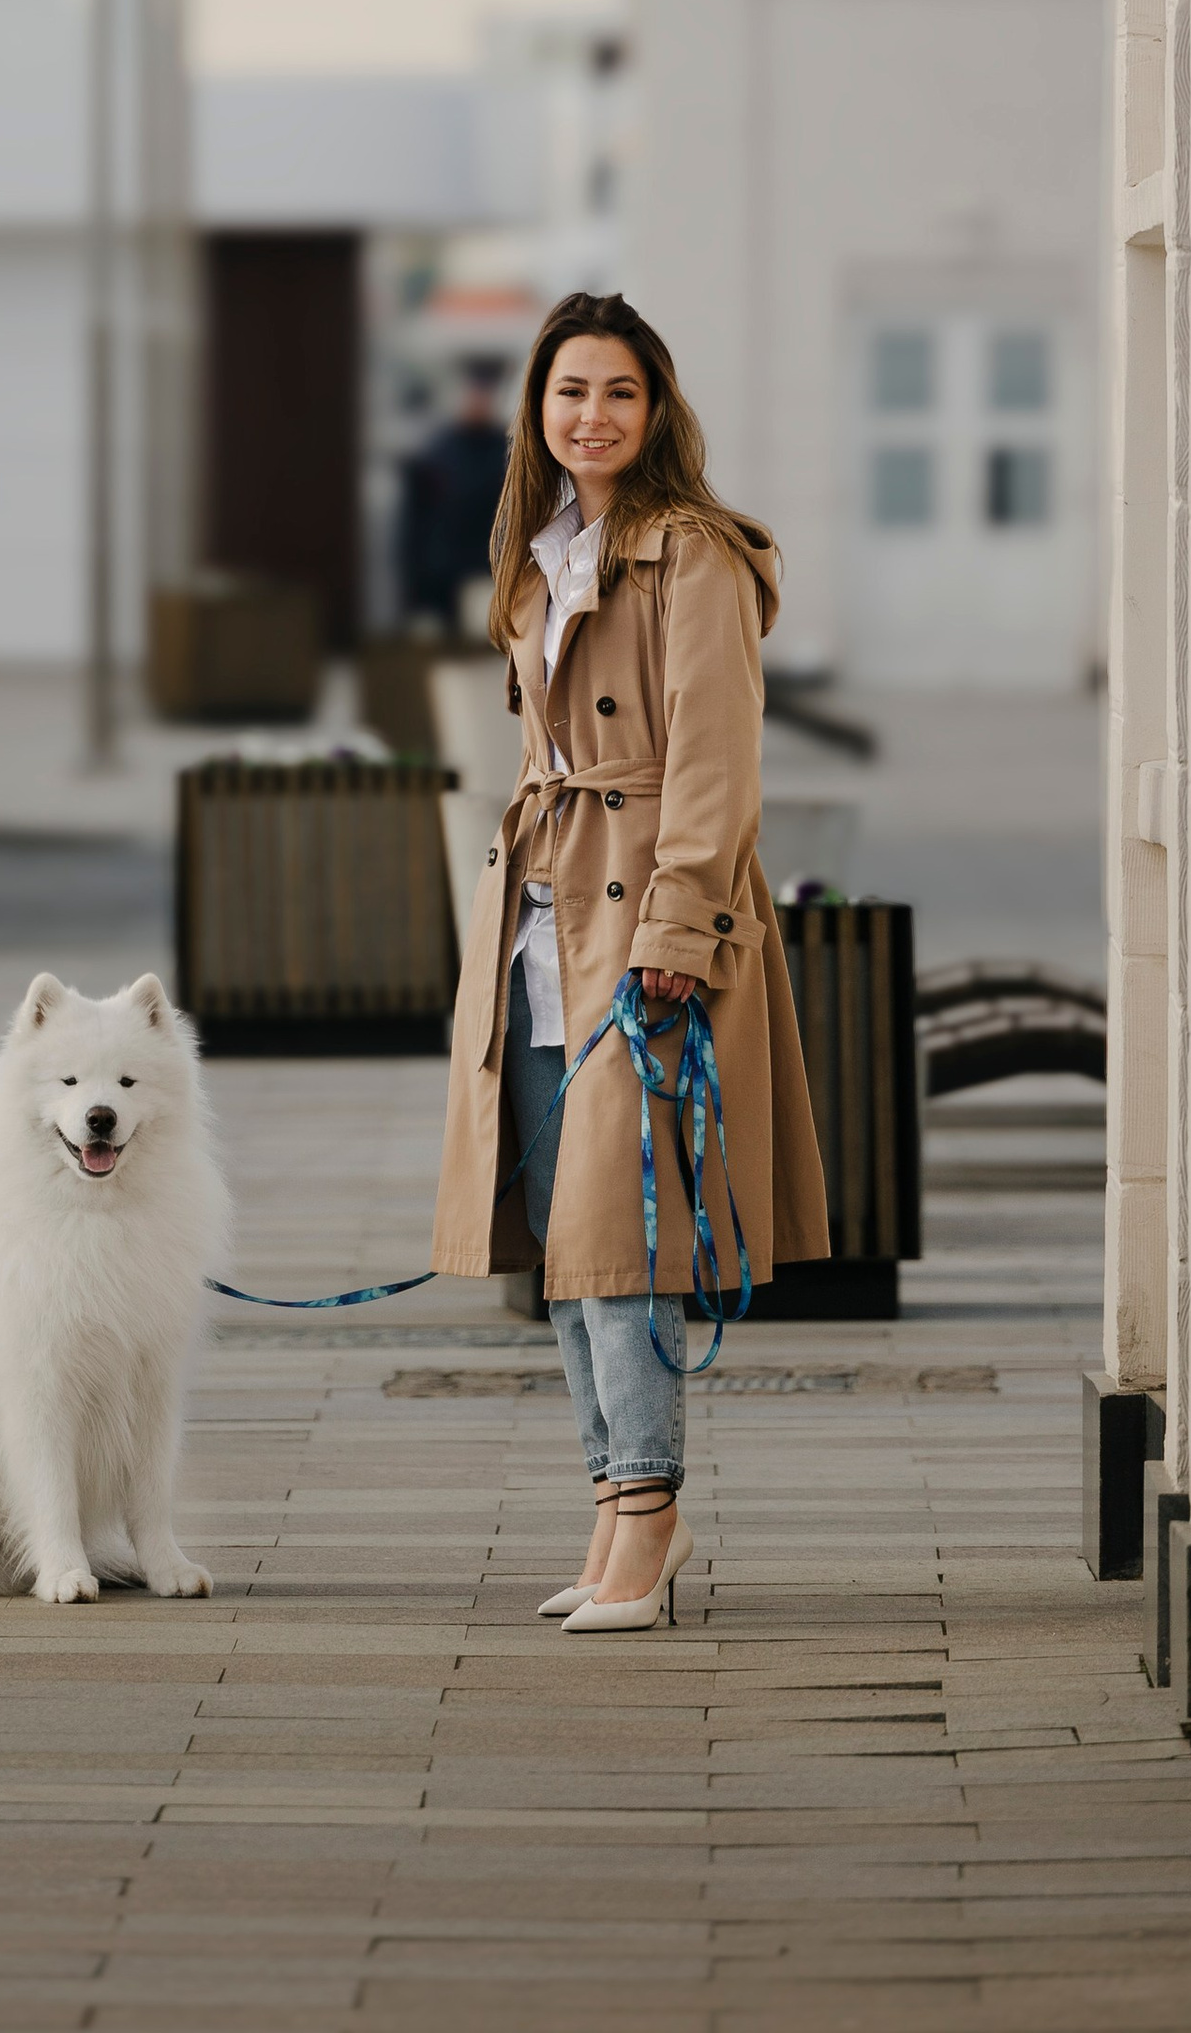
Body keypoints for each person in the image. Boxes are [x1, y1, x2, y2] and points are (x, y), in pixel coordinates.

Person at [429, 289, 828, 1632]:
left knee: (623, 1238)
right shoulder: (540, 556)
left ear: (655, 411)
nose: (590, 416)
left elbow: (717, 763)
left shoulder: (692, 556)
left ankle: (649, 1514)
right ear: (535, 410)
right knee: (562, 1239)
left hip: (644, 924)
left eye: (617, 392)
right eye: (569, 392)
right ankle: (613, 1508)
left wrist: (678, 932)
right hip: (541, 922)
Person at [395, 360, 513, 630]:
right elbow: (415, 526)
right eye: (473, 390)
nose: (478, 399)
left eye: (485, 391)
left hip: (488, 576)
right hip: (440, 578)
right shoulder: (436, 453)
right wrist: (414, 589)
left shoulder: (506, 453)